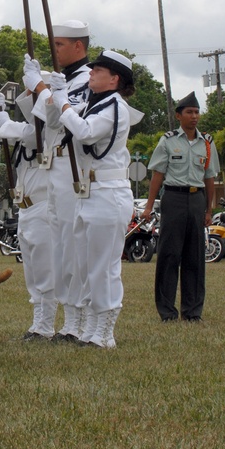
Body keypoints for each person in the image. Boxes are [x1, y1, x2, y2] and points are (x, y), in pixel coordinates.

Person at [48, 50, 143, 348]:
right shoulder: (96, 103)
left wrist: (62, 100)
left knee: (104, 265)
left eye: (98, 70)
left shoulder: (115, 107)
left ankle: (105, 332)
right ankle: (90, 328)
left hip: (108, 192)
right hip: (90, 192)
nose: (91, 73)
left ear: (114, 79)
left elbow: (86, 133)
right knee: (86, 264)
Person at [23, 20, 93, 342]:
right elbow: (49, 119)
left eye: (60, 44)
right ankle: (54, 321)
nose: (55, 51)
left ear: (78, 46)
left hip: (73, 169)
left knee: (73, 246)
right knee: (56, 249)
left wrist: (42, 87)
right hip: (55, 169)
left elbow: (67, 118)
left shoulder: (88, 79)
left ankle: (77, 322)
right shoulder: (63, 81)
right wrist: (36, 87)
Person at [143, 91, 220, 322]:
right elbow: (158, 175)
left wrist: (209, 210)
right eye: (189, 112)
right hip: (174, 199)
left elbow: (210, 178)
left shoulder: (207, 143)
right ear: (179, 116)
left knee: (195, 257)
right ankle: (167, 312)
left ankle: (192, 312)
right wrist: (148, 206)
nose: (194, 116)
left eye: (197, 112)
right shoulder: (167, 141)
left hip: (197, 200)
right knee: (169, 255)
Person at [0, 78, 53, 340]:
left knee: (44, 269)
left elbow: (9, 130)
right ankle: (38, 321)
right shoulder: (28, 128)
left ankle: (46, 323)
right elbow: (5, 130)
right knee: (31, 268)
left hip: (44, 206)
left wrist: (0, 114)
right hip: (26, 208)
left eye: (33, 94)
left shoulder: (48, 128)